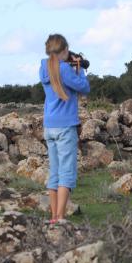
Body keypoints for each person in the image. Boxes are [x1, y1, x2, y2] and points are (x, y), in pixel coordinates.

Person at [40, 33, 89, 224]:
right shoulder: (65, 70)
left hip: (49, 126)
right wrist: (79, 68)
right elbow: (84, 88)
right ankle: (60, 218)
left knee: (54, 172)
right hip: (65, 127)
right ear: (66, 50)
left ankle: (53, 217)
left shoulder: (44, 68)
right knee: (66, 173)